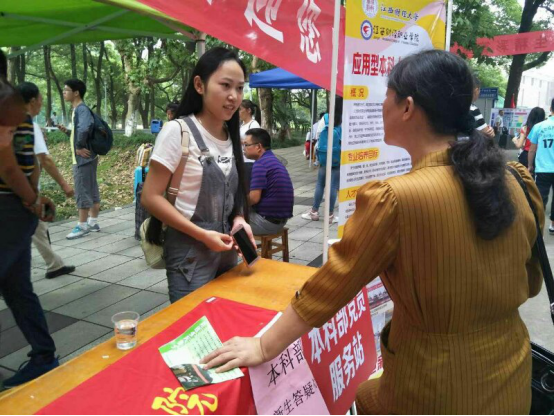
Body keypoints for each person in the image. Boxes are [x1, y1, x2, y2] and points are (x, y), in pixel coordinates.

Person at [202, 50, 545, 415]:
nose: (381, 106)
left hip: (433, 389)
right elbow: (532, 282)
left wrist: (263, 346)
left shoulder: (395, 199)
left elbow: (328, 288)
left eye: (387, 96)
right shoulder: (515, 180)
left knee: (364, 398)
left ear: (407, 107)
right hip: (512, 376)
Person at [142, 48, 254, 304]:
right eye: (225, 85)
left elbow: (233, 191)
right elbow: (150, 197)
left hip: (226, 249)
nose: (234, 96)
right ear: (199, 85)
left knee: (225, 317)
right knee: (194, 324)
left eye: (239, 88)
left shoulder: (231, 136)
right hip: (189, 255)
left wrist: (239, 218)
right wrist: (203, 235)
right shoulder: (177, 131)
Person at [0, 68, 60, 389]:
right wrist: (33, 197)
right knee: (17, 288)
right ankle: (44, 355)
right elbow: (32, 164)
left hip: (8, 208)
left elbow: (9, 166)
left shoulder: (6, 109)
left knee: (17, 288)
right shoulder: (20, 114)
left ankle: (44, 355)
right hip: (18, 207)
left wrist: (33, 199)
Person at [17, 82, 77, 279]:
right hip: (21, 191)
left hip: (17, 190)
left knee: (37, 227)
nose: (42, 104)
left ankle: (54, 265)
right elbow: (45, 160)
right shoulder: (28, 126)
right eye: (41, 100)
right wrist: (64, 185)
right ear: (32, 101)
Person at [58, 79, 101, 240]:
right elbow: (79, 132)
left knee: (82, 190)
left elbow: (84, 129)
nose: (64, 92)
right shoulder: (80, 110)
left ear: (76, 93)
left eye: (66, 90)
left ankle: (82, 225)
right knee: (91, 189)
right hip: (89, 157)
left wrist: (79, 146)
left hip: (82, 159)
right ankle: (93, 222)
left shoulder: (81, 109)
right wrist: (68, 132)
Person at [243, 128, 294, 235]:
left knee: (227, 219)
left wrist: (236, 203)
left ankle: (241, 246)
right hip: (280, 221)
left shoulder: (260, 164)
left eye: (246, 145)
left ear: (258, 147)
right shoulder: (273, 160)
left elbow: (254, 198)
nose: (243, 148)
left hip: (266, 223)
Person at [302, 97, 343, 224]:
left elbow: (317, 136)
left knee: (320, 184)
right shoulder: (346, 118)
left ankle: (314, 212)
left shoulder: (325, 118)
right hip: (338, 156)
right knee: (333, 185)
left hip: (325, 156)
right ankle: (330, 215)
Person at [528, 99, 554, 234]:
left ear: (550, 108)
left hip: (543, 168)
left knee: (540, 198)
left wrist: (529, 165)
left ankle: (539, 227)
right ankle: (553, 225)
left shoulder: (539, 126)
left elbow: (532, 149)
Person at [239, 100, 262, 190]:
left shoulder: (254, 124)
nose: (238, 112)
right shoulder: (242, 125)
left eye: (240, 109)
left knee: (248, 189)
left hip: (250, 161)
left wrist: (238, 141)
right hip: (242, 160)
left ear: (248, 110)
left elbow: (255, 142)